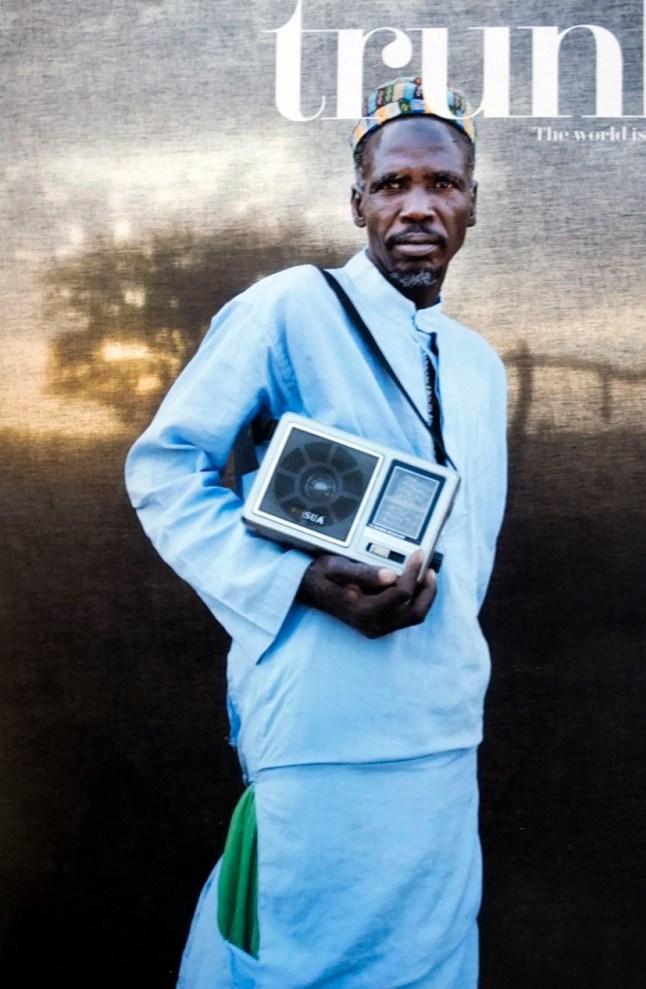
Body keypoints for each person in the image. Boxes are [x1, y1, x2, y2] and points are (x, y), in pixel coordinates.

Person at [125, 77, 507, 988]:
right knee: (292, 959)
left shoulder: (477, 363)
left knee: (428, 959)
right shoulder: (290, 306)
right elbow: (165, 468)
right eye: (393, 184)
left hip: (443, 728)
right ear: (357, 201)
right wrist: (300, 582)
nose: (418, 205)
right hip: (318, 724)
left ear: (472, 203)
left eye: (443, 184)